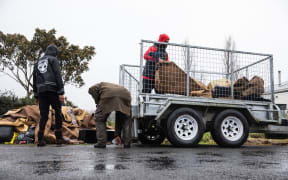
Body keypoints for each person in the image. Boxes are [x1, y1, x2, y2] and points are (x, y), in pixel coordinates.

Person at [33, 44, 67, 146]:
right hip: (53, 91)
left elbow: (34, 79)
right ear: (55, 53)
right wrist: (61, 92)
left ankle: (40, 139)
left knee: (43, 115)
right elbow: (58, 75)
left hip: (41, 91)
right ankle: (59, 138)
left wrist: (36, 95)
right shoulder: (53, 60)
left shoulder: (37, 62)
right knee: (58, 113)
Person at [88, 82, 132, 148]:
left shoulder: (94, 87)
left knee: (99, 119)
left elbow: (92, 89)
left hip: (108, 95)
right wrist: (117, 134)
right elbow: (119, 119)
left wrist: (97, 102)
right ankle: (127, 143)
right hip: (126, 94)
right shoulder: (109, 86)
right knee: (126, 119)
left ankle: (101, 143)